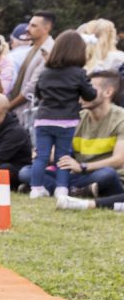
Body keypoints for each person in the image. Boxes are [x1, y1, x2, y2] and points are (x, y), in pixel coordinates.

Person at [36, 70, 124, 211]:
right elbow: (57, 152)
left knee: (107, 174)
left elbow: (119, 160)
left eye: (89, 89)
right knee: (27, 172)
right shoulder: (76, 117)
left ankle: (65, 190)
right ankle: (78, 191)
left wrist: (83, 167)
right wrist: (43, 155)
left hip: (102, 174)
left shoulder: (120, 118)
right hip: (79, 176)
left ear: (108, 92)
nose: (82, 94)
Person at [29, 30, 97, 199]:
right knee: (63, 156)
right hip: (66, 121)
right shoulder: (78, 73)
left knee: (41, 156)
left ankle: (36, 188)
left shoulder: (45, 72)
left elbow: (38, 93)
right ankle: (62, 189)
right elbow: (90, 95)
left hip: (43, 119)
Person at [7, 11, 56, 131]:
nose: (27, 29)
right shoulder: (33, 49)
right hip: (20, 111)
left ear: (46, 28)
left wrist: (8, 107)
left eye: (33, 26)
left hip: (30, 113)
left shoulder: (49, 51)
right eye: (29, 24)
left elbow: (32, 87)